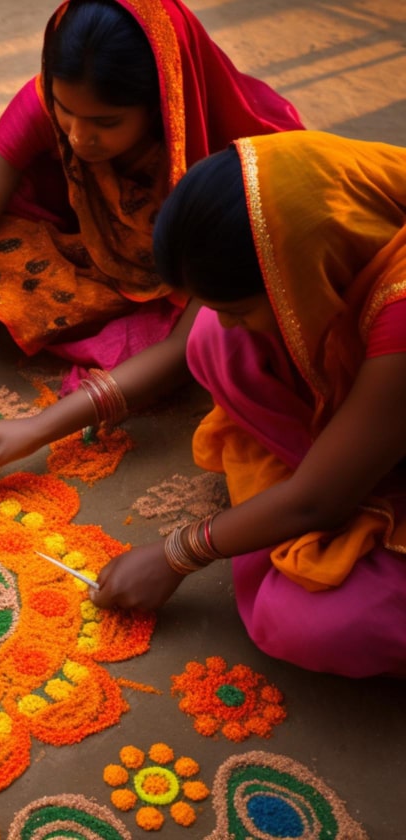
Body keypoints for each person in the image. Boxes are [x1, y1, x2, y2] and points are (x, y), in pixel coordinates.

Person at [0, 0, 303, 454]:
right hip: (83, 257)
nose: (78, 136)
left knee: (222, 341)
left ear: (160, 102)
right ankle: (113, 338)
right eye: (64, 110)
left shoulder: (232, 160)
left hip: (182, 290)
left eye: (106, 122)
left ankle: (110, 342)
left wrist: (40, 428)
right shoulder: (43, 102)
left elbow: (183, 345)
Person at [90, 131, 406, 678]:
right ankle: (340, 465)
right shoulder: (295, 206)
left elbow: (317, 505)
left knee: (315, 622)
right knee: (215, 340)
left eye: (240, 305)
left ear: (300, 272)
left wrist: (178, 553)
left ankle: (350, 480)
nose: (229, 317)